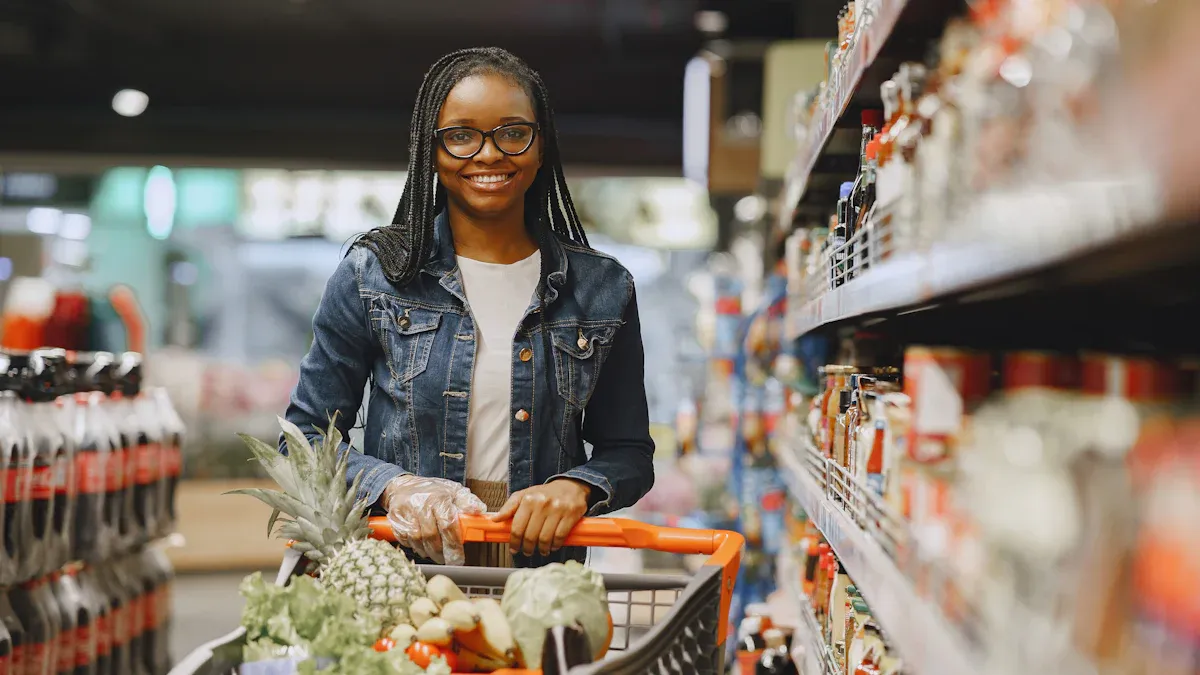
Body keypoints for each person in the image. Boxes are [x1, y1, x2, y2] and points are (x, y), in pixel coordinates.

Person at [283, 47, 655, 568]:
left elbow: (630, 452)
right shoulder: (375, 276)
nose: (488, 154)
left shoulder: (602, 289)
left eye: (512, 132)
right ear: (430, 152)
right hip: (403, 574)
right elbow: (304, 442)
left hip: (541, 582)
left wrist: (580, 487)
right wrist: (395, 487)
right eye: (460, 135)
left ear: (541, 145)